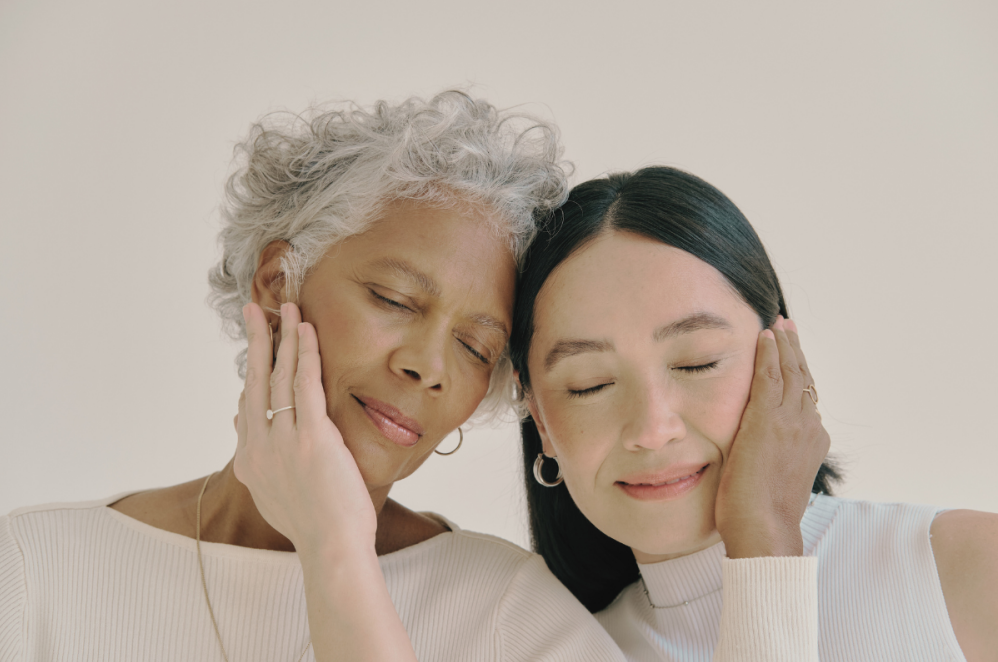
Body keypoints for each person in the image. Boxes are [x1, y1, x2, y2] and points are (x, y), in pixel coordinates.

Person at [0, 91, 627, 662]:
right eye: (395, 299)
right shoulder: (35, 571)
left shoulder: (511, 615)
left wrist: (336, 550)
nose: (429, 367)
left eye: (474, 346)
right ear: (279, 282)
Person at [510, 166, 998, 662]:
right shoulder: (560, 648)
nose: (653, 430)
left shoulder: (969, 569)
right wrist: (765, 554)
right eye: (590, 385)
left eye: (697, 362)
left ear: (786, 362)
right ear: (541, 422)